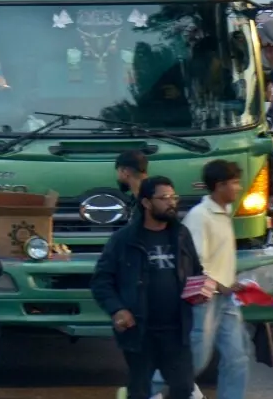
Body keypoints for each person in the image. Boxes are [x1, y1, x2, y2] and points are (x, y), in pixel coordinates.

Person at [91, 176, 204, 399]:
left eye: (174, 197)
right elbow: (101, 281)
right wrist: (118, 309)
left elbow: (196, 271)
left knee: (183, 387)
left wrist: (199, 290)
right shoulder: (123, 240)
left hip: (176, 330)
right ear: (146, 202)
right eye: (163, 198)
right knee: (140, 390)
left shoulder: (181, 235)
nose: (171, 203)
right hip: (140, 331)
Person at [181, 160, 248, 399]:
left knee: (236, 358)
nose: (238, 188)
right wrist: (222, 285)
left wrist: (231, 283)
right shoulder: (200, 216)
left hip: (226, 299)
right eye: (234, 183)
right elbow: (196, 264)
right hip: (205, 299)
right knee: (196, 357)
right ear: (219, 186)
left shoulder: (224, 212)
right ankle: (146, 388)